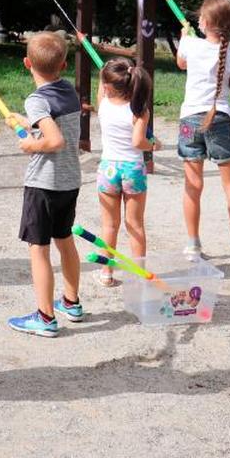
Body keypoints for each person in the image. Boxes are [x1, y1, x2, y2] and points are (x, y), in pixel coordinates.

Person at [7, 32, 83, 337]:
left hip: (44, 185)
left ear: (27, 63)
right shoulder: (68, 91)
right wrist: (27, 125)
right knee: (64, 240)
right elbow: (54, 127)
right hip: (69, 182)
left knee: (38, 250)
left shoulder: (36, 99)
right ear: (63, 65)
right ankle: (71, 302)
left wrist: (31, 146)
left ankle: (45, 317)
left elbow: (54, 139)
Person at [176, 0, 230, 265]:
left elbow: (181, 63)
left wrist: (184, 36)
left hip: (189, 121)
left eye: (200, 17)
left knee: (193, 185)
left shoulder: (190, 44)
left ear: (205, 22)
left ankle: (193, 245)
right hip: (219, 119)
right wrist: (229, 79)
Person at [95, 58, 159, 287]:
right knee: (135, 224)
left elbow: (101, 86)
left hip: (108, 168)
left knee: (109, 225)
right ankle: (139, 275)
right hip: (132, 169)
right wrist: (153, 145)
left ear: (106, 85)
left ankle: (106, 272)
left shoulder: (102, 105)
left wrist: (104, 69)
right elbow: (138, 141)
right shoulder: (140, 111)